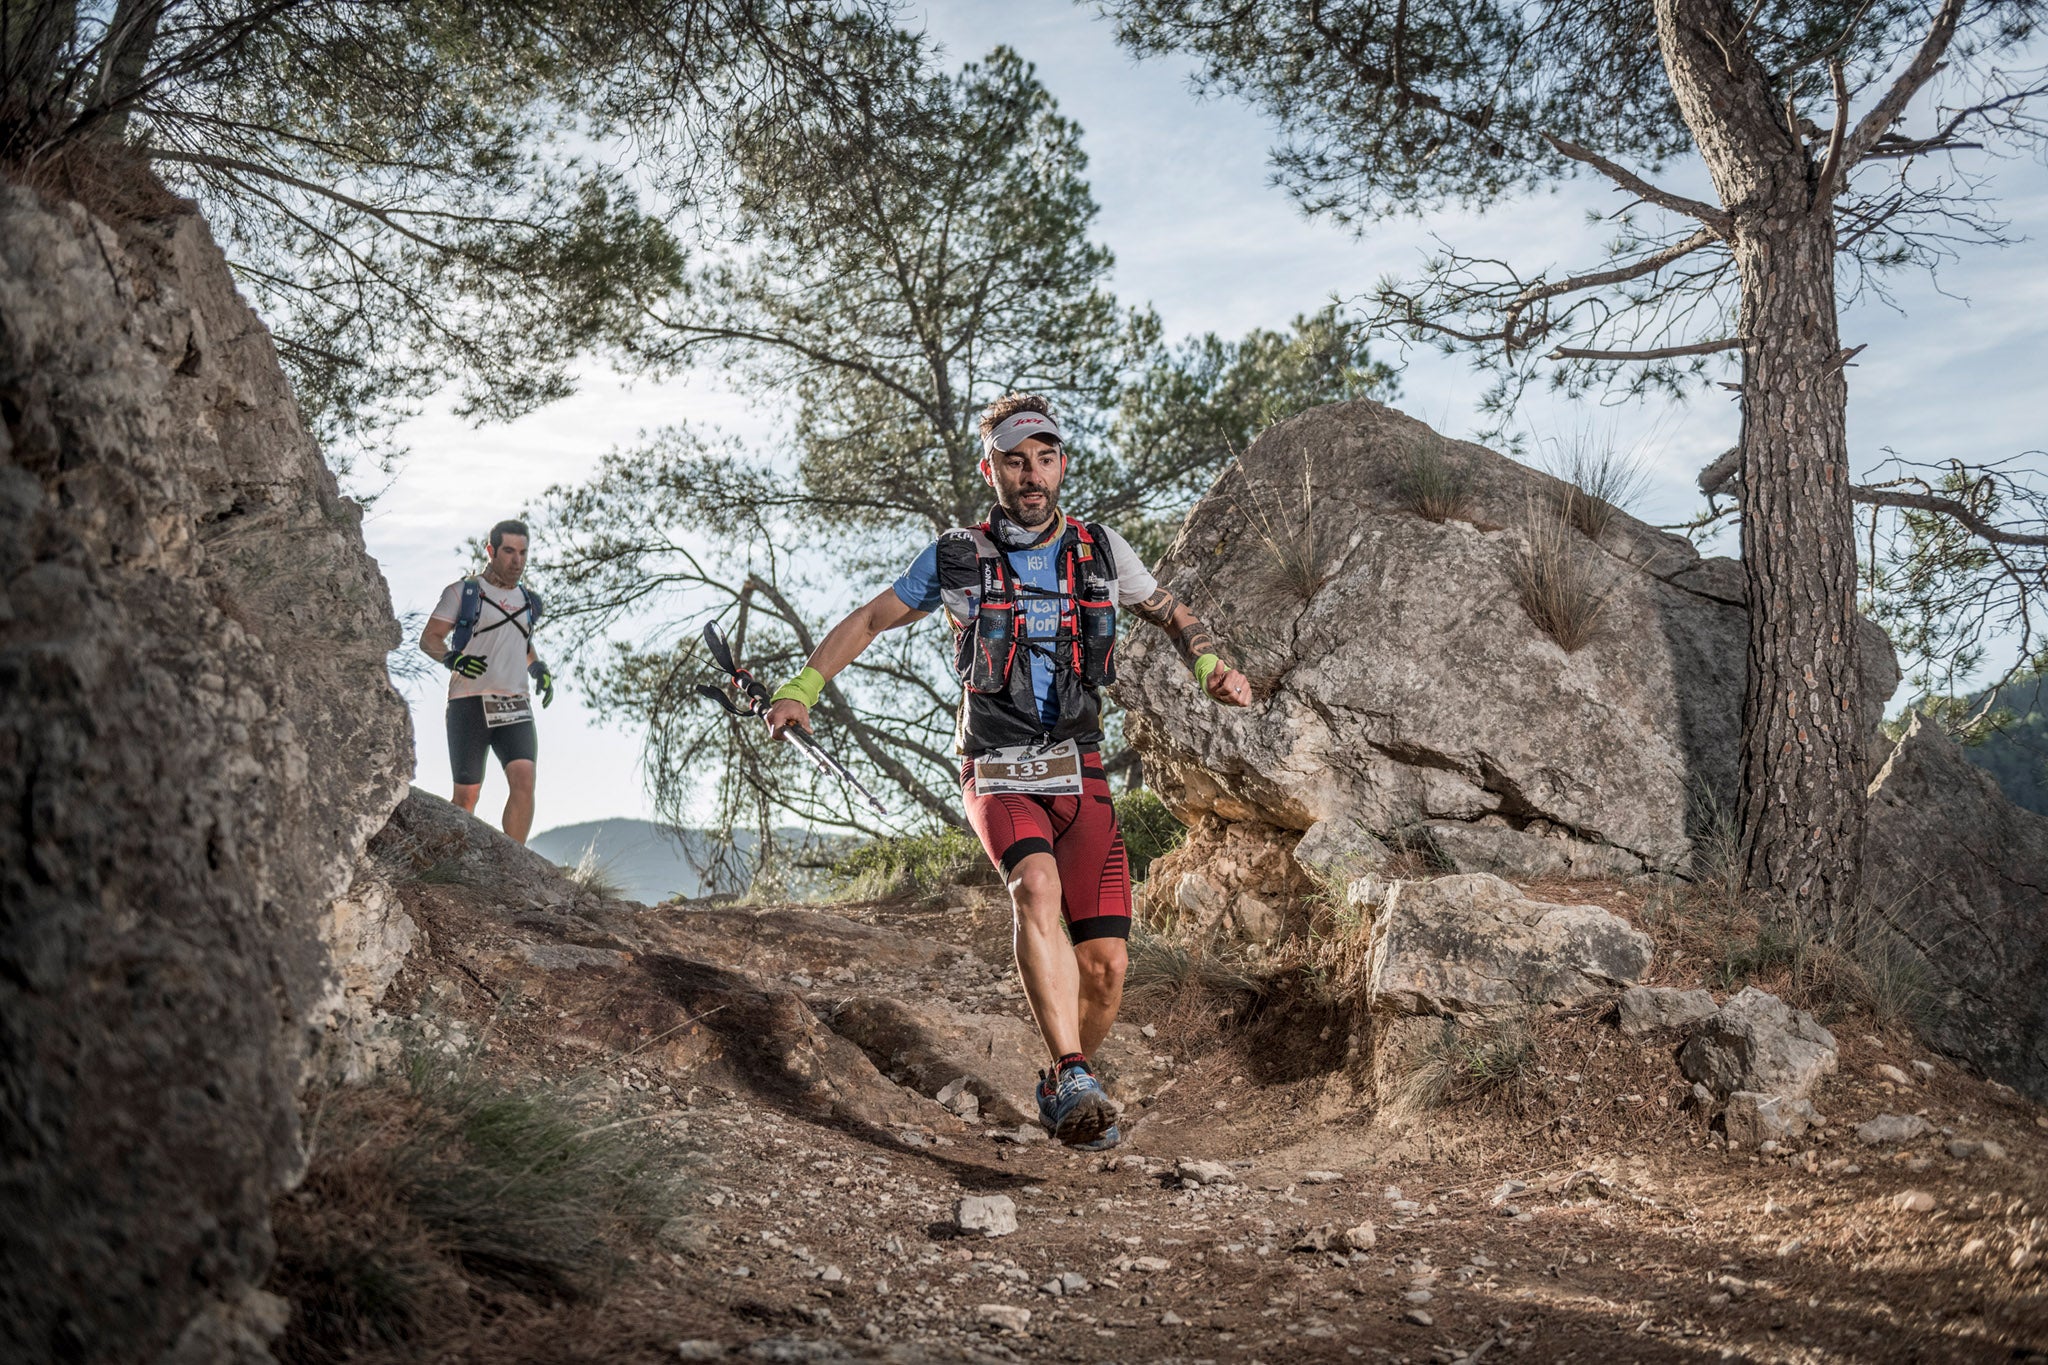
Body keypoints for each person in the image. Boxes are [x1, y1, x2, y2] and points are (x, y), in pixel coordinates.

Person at [762, 394, 1250, 1148]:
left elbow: (1170, 609)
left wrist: (1209, 661)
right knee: (1036, 886)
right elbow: (868, 620)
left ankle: (1066, 1080)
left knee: (1109, 966)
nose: (1032, 476)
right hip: (995, 765)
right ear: (991, 467)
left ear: (1061, 465)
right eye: (1016, 461)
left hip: (1078, 764)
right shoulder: (959, 556)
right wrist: (803, 687)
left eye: (1045, 459)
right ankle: (1073, 1066)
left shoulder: (1100, 548)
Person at [420, 519, 555, 844]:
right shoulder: (463, 592)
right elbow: (430, 639)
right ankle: (451, 867)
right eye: (509, 551)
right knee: (467, 796)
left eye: (523, 553)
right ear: (491, 550)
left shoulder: (529, 601)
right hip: (469, 703)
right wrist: (453, 658)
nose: (517, 561)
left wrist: (537, 668)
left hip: (515, 704)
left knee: (524, 779)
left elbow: (520, 641)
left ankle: (516, 864)